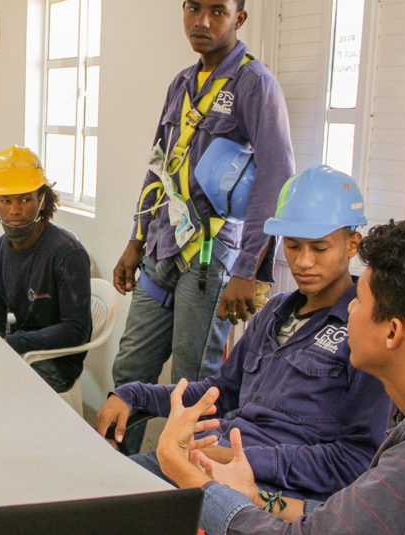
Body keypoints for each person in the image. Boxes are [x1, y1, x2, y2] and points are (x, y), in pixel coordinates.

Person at [157, 218, 405, 535]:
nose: (348, 309)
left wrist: (190, 477)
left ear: (392, 332)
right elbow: (343, 524)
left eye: (359, 301)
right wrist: (257, 498)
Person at [97, 166, 390, 503]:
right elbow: (218, 395)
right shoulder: (275, 313)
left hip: (265, 489)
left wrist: (238, 458)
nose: (303, 262)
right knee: (102, 492)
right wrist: (134, 394)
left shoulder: (365, 328)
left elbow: (353, 461)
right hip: (209, 458)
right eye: (293, 247)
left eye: (319, 248)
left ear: (353, 244)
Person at [110, 0, 294, 413]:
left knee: (191, 386)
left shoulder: (255, 84)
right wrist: (136, 239)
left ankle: (184, 477)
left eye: (217, 11)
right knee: (129, 373)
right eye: (193, 9)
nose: (203, 21)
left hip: (210, 260)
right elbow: (159, 166)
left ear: (238, 19)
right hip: (161, 248)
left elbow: (275, 179)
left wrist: (248, 271)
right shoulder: (181, 84)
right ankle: (123, 470)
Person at [0, 146, 92, 393]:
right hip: (19, 351)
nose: (15, 211)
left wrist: (17, 342)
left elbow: (77, 330)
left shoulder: (67, 253)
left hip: (57, 362)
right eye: (6, 200)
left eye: (25, 199)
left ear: (42, 200)